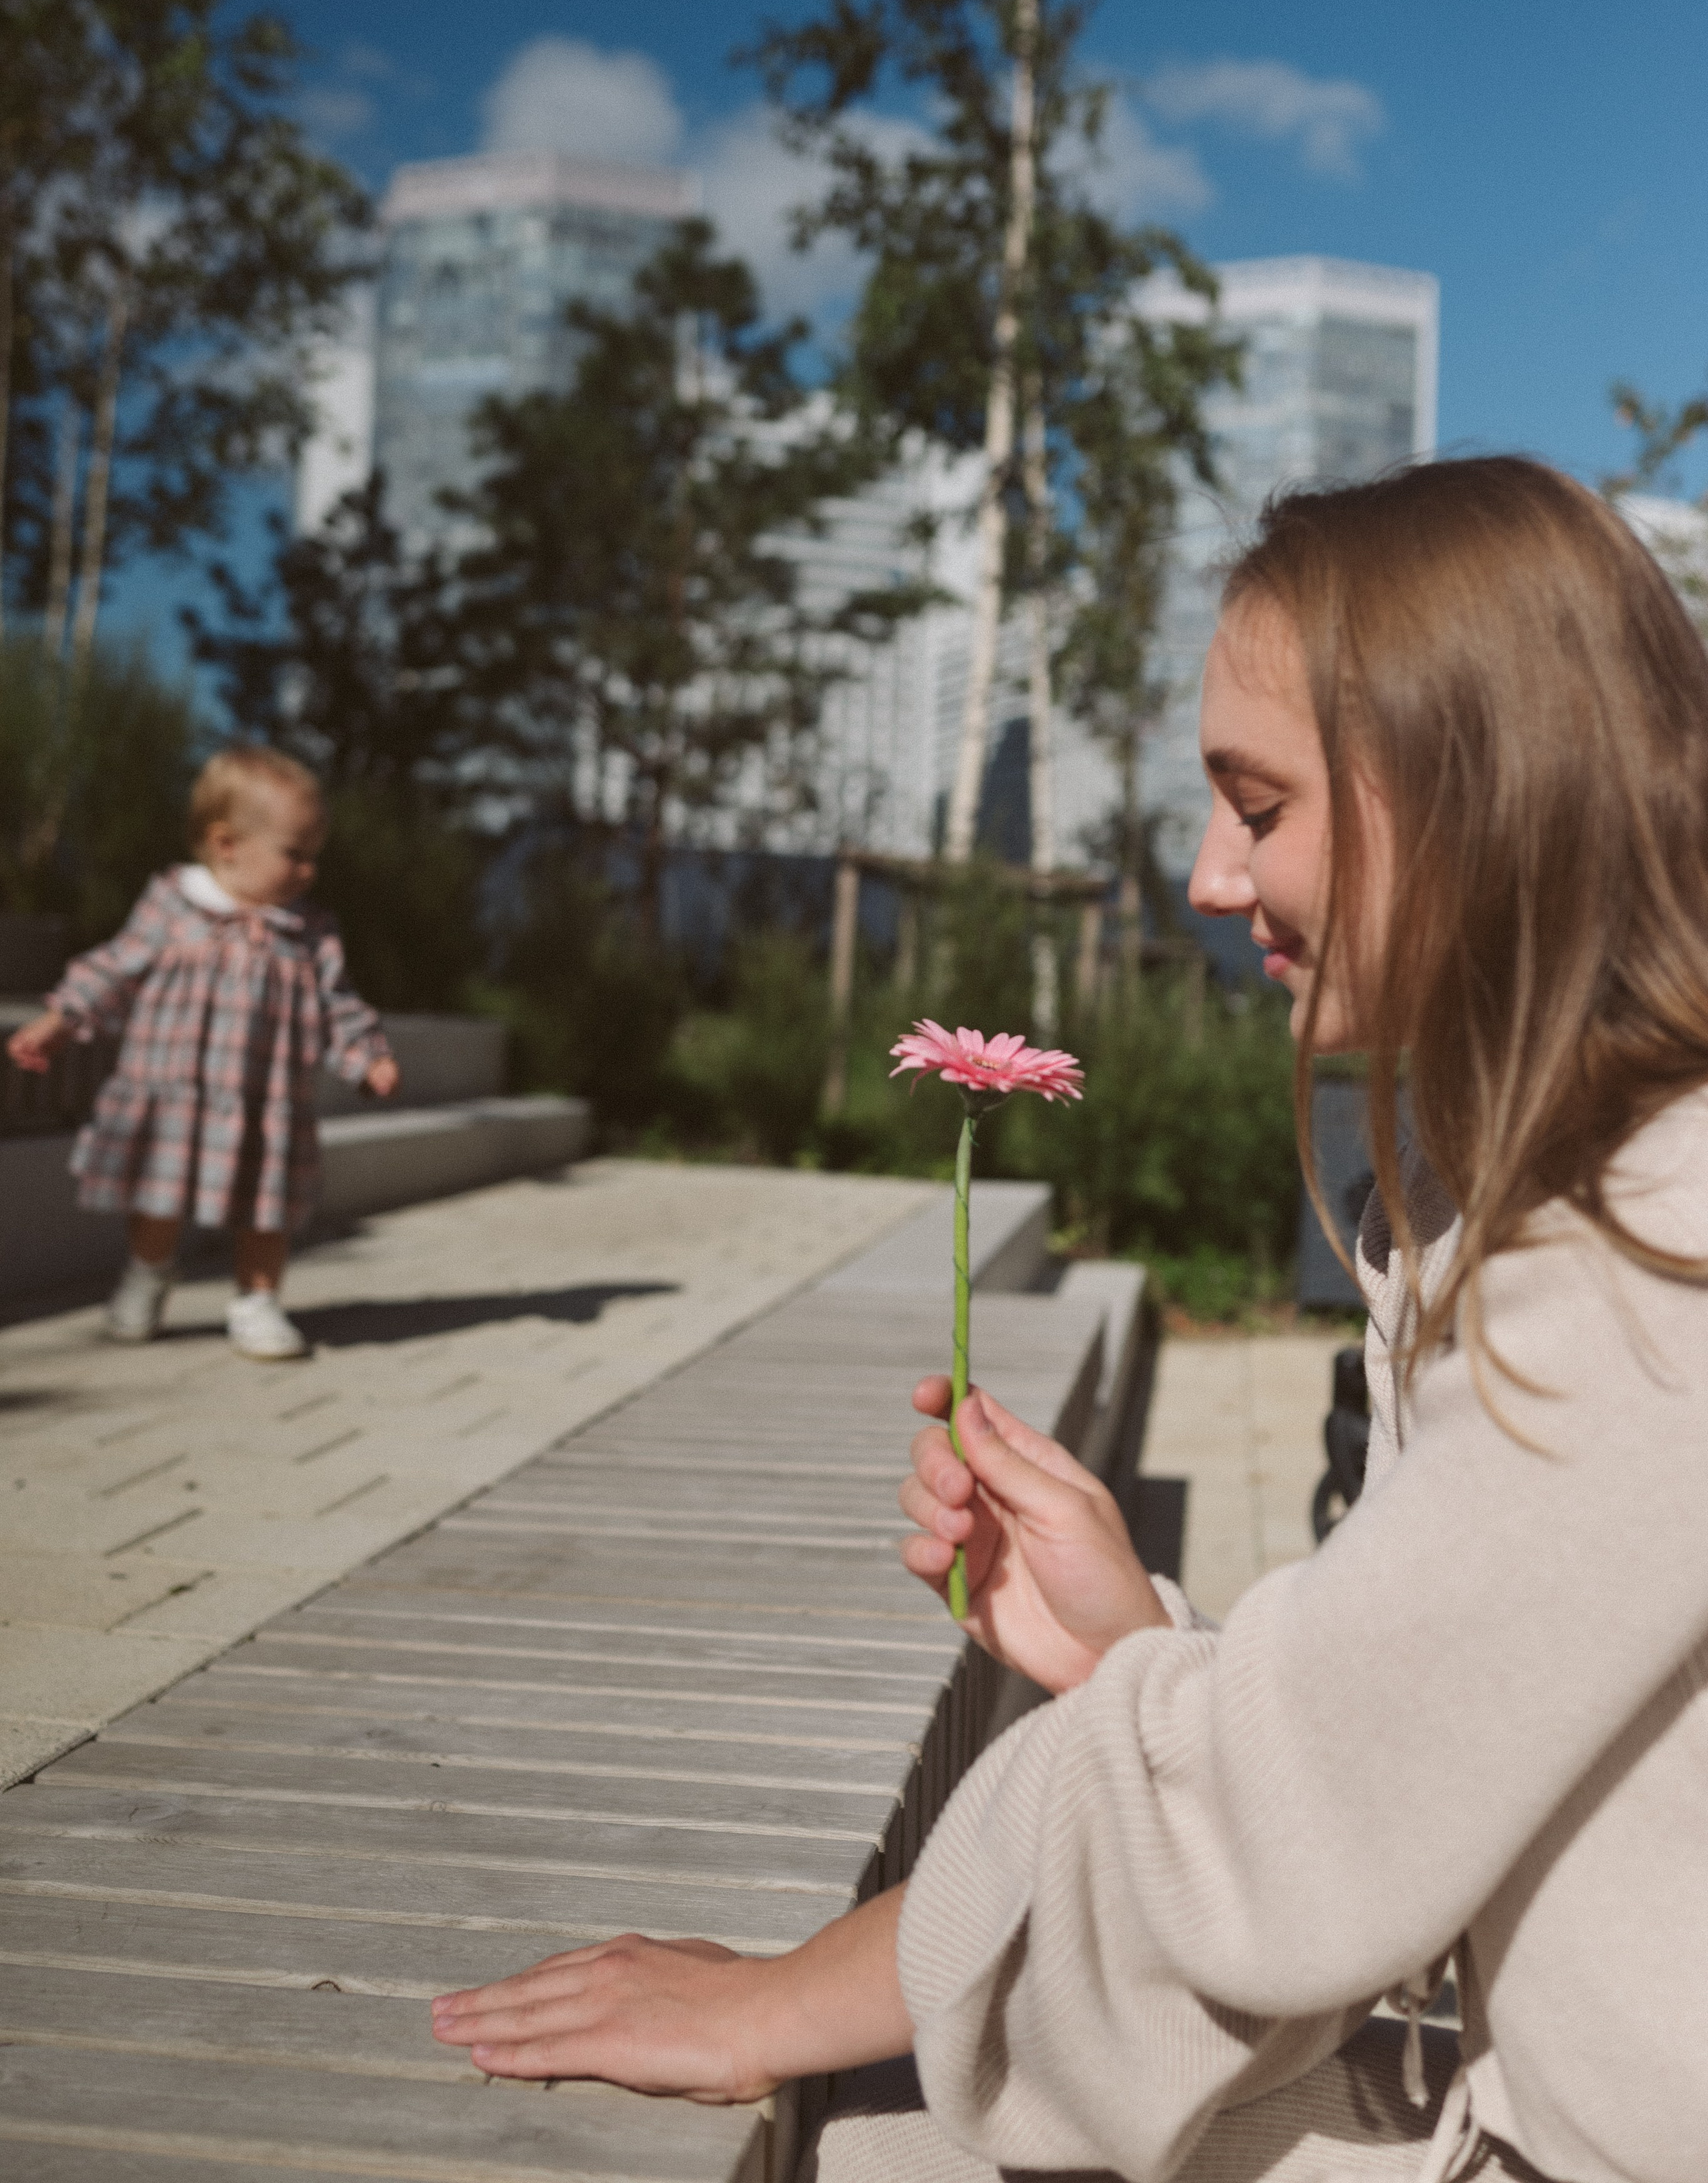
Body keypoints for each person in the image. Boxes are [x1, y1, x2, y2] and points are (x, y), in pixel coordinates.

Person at [430, 458, 1708, 2182]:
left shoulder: (1650, 1261)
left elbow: (1280, 1821)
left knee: (873, 2145)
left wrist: (776, 2001)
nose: (1203, 871)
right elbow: (1410, 1770)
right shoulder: (1602, 1202)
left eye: (1257, 806)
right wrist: (1140, 1650)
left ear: (1471, 794)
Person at [7, 746, 399, 1361]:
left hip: (266, 1102)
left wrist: (367, 1056)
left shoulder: (309, 931)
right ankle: (148, 1273)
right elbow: (115, 968)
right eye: (294, 855)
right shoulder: (173, 905)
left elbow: (338, 1004)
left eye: (314, 858)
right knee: (159, 1202)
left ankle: (258, 1301)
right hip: (173, 1094)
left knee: (267, 1209)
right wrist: (61, 1019)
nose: (307, 873)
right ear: (226, 844)